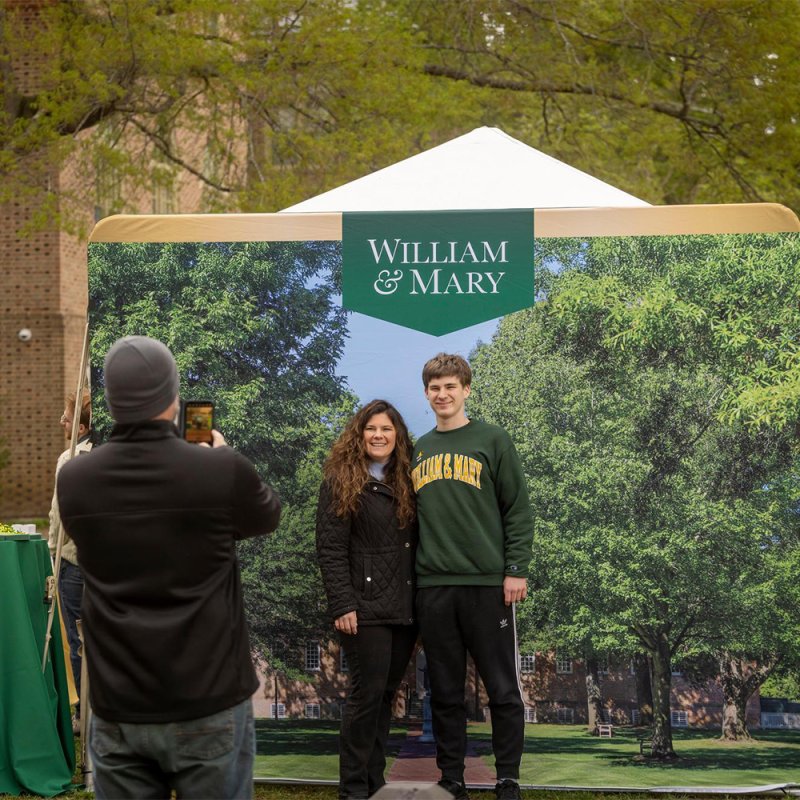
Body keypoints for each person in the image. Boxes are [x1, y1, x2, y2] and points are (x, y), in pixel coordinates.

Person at [57, 336, 281, 800]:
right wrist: (217, 456)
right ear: (173, 400)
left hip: (119, 704)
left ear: (112, 402)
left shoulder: (75, 480)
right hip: (209, 698)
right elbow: (267, 515)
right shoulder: (220, 472)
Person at [412, 353, 533, 800]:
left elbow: (517, 510)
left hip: (488, 585)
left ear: (466, 389)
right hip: (434, 588)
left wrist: (515, 569)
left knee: (502, 689)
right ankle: (452, 779)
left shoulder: (492, 440)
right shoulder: (419, 448)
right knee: (443, 692)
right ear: (426, 394)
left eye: (450, 386)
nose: (442, 395)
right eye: (434, 388)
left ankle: (507, 779)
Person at [316, 399, 418, 800]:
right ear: (359, 435)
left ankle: (375, 784)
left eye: (387, 429)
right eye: (371, 428)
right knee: (366, 696)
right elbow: (329, 547)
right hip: (363, 609)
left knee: (385, 698)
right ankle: (353, 790)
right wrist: (343, 603)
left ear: (398, 437)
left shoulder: (408, 480)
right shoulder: (340, 480)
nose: (379, 435)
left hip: (404, 609)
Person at [48, 388, 94, 731]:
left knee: (74, 640)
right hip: (90, 562)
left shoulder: (71, 459)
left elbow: (58, 514)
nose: (61, 421)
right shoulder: (97, 456)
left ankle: (80, 714)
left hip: (72, 560)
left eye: (67, 417)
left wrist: (52, 552)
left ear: (80, 428)